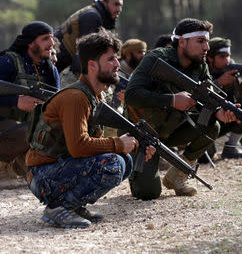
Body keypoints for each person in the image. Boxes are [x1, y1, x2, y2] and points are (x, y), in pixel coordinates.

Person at [25, 28, 155, 229]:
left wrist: (133, 145)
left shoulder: (96, 95)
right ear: (92, 65)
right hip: (43, 175)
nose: (117, 65)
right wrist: (118, 144)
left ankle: (75, 206)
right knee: (113, 164)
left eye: (116, 59)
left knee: (125, 161)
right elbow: (79, 146)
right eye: (111, 59)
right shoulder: (76, 98)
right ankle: (59, 208)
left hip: (59, 167)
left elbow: (94, 142)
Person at [124, 18, 238, 200]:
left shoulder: (200, 66)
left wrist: (219, 112)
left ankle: (176, 176)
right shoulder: (155, 58)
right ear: (182, 42)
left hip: (170, 131)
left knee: (212, 126)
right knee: (149, 193)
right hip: (141, 136)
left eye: (207, 41)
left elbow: (207, 99)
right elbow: (132, 95)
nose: (206, 47)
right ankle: (133, 169)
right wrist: (172, 100)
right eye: (200, 41)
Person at [0, 21, 60, 190]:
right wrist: (16, 101)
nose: (51, 44)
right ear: (31, 43)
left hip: (28, 128)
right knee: (27, 133)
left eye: (51, 39)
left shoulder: (50, 68)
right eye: (45, 39)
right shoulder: (7, 62)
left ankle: (17, 165)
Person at [202, 37, 242, 159]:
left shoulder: (231, 68)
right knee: (206, 157)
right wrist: (218, 83)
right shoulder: (202, 69)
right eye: (222, 56)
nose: (227, 60)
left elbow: (239, 97)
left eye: (228, 55)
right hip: (205, 121)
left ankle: (231, 148)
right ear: (210, 57)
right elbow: (199, 96)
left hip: (226, 118)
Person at [54, 0, 124, 83]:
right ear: (104, 2)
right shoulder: (92, 16)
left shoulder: (95, 13)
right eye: (116, 4)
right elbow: (84, 52)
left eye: (121, 6)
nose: (119, 9)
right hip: (57, 65)